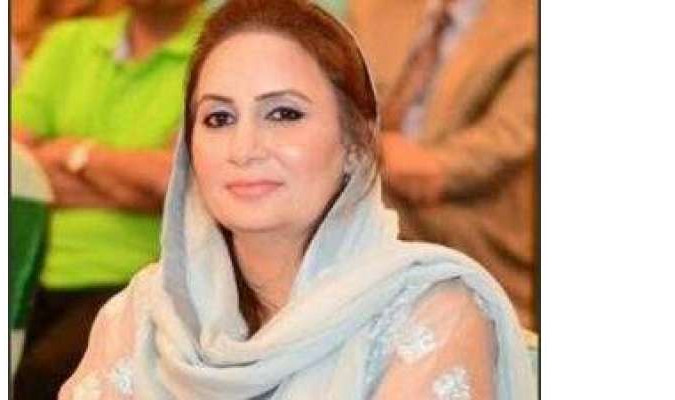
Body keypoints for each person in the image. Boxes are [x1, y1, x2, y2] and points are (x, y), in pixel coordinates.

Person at [60, 0, 534, 398]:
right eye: (218, 118)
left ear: (357, 143)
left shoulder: (430, 310)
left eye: (284, 114)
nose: (244, 149)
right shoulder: (147, 312)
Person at [10, 0, 206, 398]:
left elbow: (178, 181)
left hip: (140, 277)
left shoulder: (220, 50)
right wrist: (134, 184)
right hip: (26, 263)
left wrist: (75, 153)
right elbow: (15, 165)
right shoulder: (68, 42)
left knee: (41, 377)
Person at [349, 0, 539, 329]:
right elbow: (336, 99)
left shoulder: (530, 23)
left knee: (338, 201)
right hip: (376, 176)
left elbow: (508, 139)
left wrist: (409, 163)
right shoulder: (373, 9)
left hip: (472, 215)